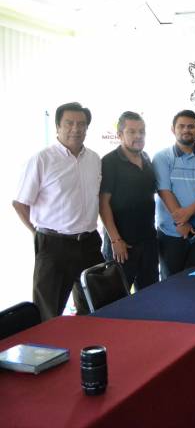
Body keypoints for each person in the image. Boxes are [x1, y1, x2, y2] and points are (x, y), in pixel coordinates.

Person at [13, 102, 104, 320]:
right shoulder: (42, 159)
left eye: (81, 124)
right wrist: (37, 233)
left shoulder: (94, 159)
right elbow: (20, 203)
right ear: (57, 126)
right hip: (54, 246)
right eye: (69, 123)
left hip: (89, 243)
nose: (76, 129)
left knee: (95, 307)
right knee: (48, 313)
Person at [99, 111, 158, 290]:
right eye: (132, 131)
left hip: (148, 241)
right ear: (120, 135)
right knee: (118, 297)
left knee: (150, 295)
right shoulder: (109, 161)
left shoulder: (146, 158)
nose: (138, 136)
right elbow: (103, 204)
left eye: (142, 131)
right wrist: (116, 240)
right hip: (122, 245)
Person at [153, 110, 195, 278]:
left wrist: (187, 214)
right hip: (171, 233)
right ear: (173, 129)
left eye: (191, 126)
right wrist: (181, 222)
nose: (186, 130)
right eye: (181, 126)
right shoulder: (162, 157)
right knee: (171, 283)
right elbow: (164, 191)